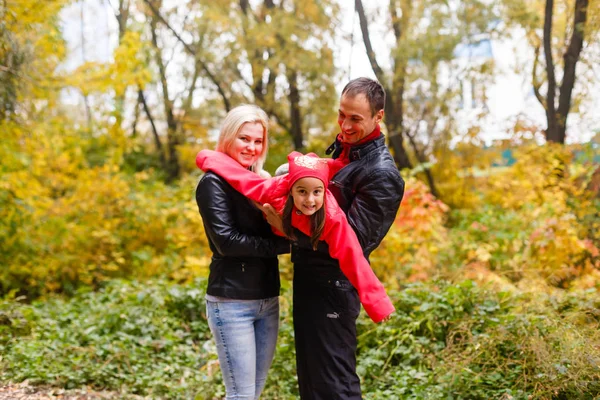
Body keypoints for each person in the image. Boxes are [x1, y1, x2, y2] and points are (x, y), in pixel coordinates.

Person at [273, 77, 405, 399]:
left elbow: (351, 242)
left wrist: (286, 225)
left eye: (356, 118)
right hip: (310, 283)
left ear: (378, 116)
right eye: (341, 114)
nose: (345, 125)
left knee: (335, 387)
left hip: (334, 287)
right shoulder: (347, 153)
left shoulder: (382, 174)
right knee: (313, 385)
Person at [195, 150, 395, 324]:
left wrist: (379, 304)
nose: (309, 200)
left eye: (316, 193)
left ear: (324, 191)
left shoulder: (333, 221)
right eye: (301, 192)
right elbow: (239, 177)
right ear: (291, 190)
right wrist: (207, 157)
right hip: (284, 192)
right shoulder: (273, 191)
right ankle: (294, 175)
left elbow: (354, 259)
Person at [194, 104, 290, 400]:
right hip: (231, 302)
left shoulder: (261, 183)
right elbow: (228, 241)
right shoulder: (213, 183)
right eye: (244, 138)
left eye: (258, 141)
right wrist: (285, 245)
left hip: (267, 299)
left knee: (252, 394)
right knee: (241, 396)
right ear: (228, 137)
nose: (251, 147)